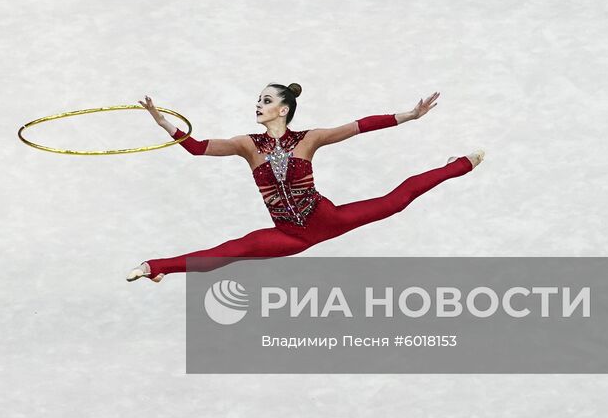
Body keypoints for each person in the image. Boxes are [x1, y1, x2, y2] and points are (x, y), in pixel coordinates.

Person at [126, 84, 482, 281]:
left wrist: (409, 115)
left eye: (266, 100)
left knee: (396, 201)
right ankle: (156, 268)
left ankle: (459, 165)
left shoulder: (309, 139)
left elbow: (358, 126)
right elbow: (197, 148)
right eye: (258, 100)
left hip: (325, 219)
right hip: (287, 234)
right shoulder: (246, 145)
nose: (258, 105)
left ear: (283, 109)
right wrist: (164, 124)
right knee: (230, 251)